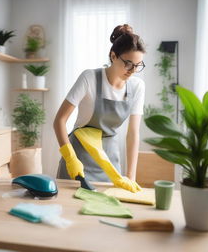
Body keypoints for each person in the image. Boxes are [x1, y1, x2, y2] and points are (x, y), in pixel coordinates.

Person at [54, 24, 146, 192]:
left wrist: (131, 176)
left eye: (138, 65)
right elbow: (59, 120)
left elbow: (133, 133)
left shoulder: (137, 86)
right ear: (113, 56)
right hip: (78, 157)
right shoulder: (89, 78)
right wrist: (70, 158)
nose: (132, 70)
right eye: (128, 64)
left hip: (109, 162)